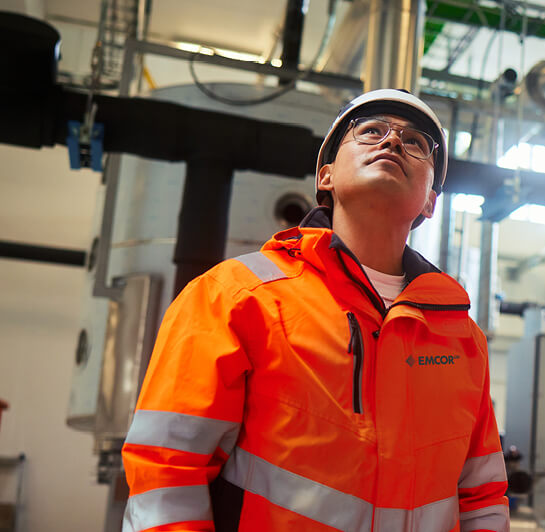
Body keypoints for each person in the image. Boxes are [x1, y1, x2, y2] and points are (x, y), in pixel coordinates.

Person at [120, 89, 510, 532]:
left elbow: (481, 496)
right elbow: (167, 471)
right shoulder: (235, 296)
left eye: (416, 142)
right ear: (325, 175)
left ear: (429, 203)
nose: (393, 142)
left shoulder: (460, 337)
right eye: (371, 131)